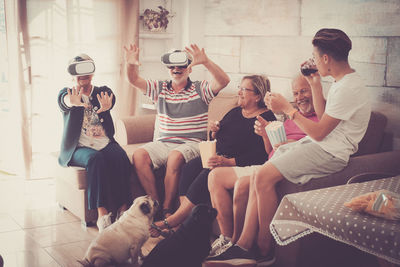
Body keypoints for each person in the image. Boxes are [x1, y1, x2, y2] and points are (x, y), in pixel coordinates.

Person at [205, 28, 371, 267]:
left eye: (315, 57)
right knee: (257, 175)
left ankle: (264, 249)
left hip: (330, 151)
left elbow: (320, 131)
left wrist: (287, 109)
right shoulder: (342, 83)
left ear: (326, 58)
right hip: (321, 144)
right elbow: (325, 118)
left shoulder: (348, 88)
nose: (313, 61)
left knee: (262, 175)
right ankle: (242, 245)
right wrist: (314, 83)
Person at [206, 74, 318, 259]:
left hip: (277, 167)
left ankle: (248, 246)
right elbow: (270, 151)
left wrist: (286, 143)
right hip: (270, 162)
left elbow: (306, 145)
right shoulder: (291, 120)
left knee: (242, 184)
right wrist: (267, 135)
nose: (299, 98)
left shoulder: (316, 121)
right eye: (295, 93)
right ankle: (232, 243)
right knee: (214, 175)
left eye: (304, 91)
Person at [149, 75, 276, 237]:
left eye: (244, 89)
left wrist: (227, 162)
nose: (239, 92)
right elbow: (218, 134)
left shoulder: (266, 119)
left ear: (258, 96)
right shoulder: (236, 111)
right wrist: (214, 130)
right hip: (219, 155)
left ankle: (174, 220)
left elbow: (261, 155)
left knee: (208, 171)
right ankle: (187, 226)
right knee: (189, 168)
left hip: (237, 164)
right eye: (240, 87)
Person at [124, 44, 230, 219]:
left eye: (181, 65)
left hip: (193, 143)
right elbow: (134, 79)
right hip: (164, 142)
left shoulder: (200, 89)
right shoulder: (160, 88)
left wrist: (206, 62)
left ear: (189, 68)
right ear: (168, 69)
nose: (176, 69)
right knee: (139, 155)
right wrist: (130, 63)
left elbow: (223, 81)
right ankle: (155, 206)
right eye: (172, 66)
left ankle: (167, 209)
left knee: (174, 156)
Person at [58, 54, 132, 232]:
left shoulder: (101, 91)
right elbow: (64, 102)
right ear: (73, 74)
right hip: (79, 148)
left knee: (121, 156)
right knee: (95, 159)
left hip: (104, 143)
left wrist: (107, 106)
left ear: (92, 73)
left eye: (86, 71)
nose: (83, 76)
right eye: (78, 71)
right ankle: (102, 214)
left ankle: (123, 208)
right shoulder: (67, 93)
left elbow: (110, 98)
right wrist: (73, 102)